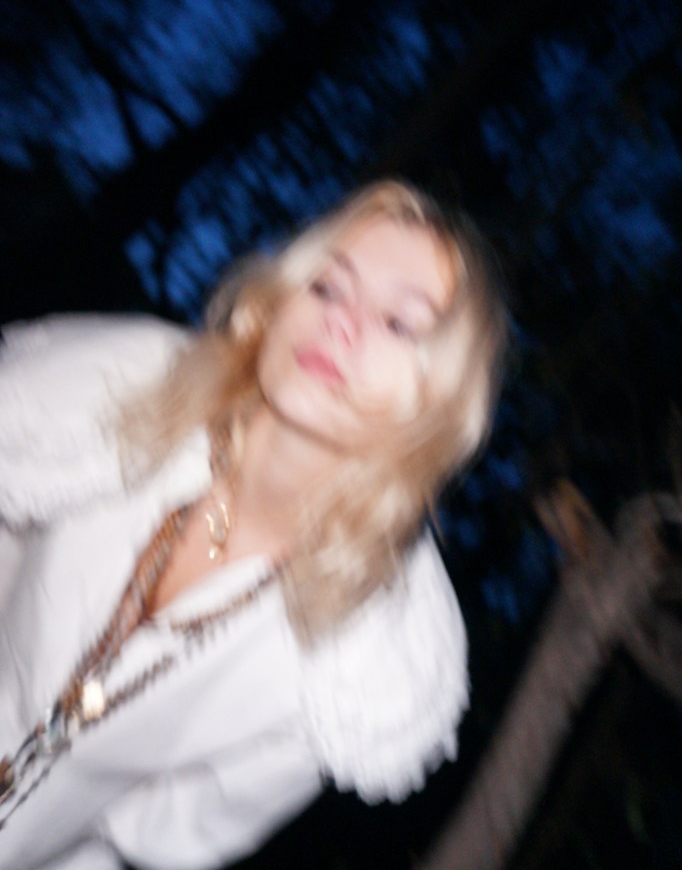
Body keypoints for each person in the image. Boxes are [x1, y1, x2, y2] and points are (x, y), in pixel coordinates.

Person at [0, 179, 506, 870]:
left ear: (438, 402)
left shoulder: (361, 661)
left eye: (398, 323)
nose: (341, 322)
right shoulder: (114, 392)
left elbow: (162, 837)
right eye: (328, 286)